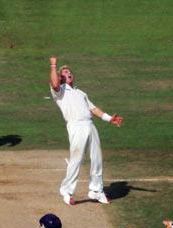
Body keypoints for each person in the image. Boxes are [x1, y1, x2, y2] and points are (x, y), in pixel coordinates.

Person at [49, 56, 123, 206]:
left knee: (97, 159)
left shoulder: (81, 93)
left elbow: (93, 108)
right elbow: (55, 83)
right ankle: (67, 191)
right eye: (64, 72)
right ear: (60, 76)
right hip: (76, 126)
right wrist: (53, 65)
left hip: (90, 125)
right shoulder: (59, 91)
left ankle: (96, 191)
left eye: (69, 71)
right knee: (76, 159)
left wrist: (109, 119)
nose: (68, 73)